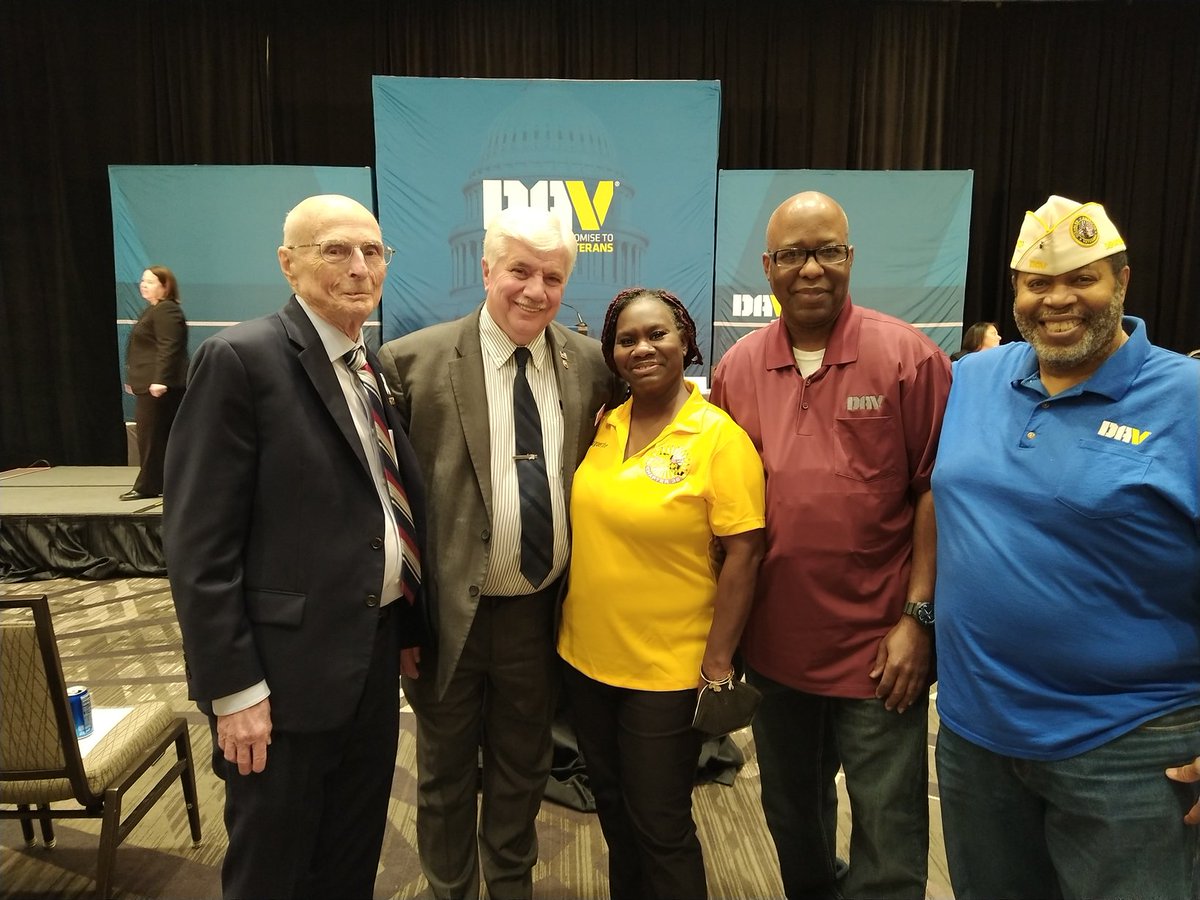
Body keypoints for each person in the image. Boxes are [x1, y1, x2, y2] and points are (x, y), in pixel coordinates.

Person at [931, 194, 1200, 899]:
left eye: (1083, 278)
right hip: (975, 736)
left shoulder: (1189, 399)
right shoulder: (971, 379)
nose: (1059, 299)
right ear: (1016, 291)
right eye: (1038, 281)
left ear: (1123, 282)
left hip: (1134, 749)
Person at [162, 194, 427, 898]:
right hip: (277, 680)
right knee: (272, 869)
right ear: (289, 263)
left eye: (373, 252)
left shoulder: (368, 366)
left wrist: (403, 624)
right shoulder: (240, 360)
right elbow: (198, 546)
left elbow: (377, 511)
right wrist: (234, 690)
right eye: (335, 250)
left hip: (368, 661)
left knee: (348, 858)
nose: (359, 267)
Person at [710, 191, 951, 900]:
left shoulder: (910, 357)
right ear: (768, 266)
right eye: (792, 254)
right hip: (776, 647)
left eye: (827, 251)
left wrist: (918, 619)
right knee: (791, 814)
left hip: (881, 649)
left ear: (850, 257)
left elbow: (932, 491)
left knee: (888, 822)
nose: (810, 269)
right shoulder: (738, 368)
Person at [377, 206, 619, 900]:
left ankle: (510, 886)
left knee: (523, 766)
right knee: (445, 773)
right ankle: (450, 890)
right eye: (519, 270)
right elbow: (391, 510)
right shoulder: (414, 363)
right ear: (486, 271)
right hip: (446, 617)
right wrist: (403, 621)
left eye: (552, 276)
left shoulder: (592, 368)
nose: (535, 290)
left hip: (538, 616)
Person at [557, 287, 765, 899]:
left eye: (657, 335)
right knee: (616, 816)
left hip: (669, 670)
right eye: (627, 339)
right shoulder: (604, 421)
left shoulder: (718, 438)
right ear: (611, 351)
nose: (641, 348)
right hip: (585, 661)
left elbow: (746, 554)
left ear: (686, 342)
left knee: (660, 825)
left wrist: (718, 663)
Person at [121, 265, 188, 500]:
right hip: (148, 383)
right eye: (143, 280)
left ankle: (148, 486)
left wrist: (160, 379)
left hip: (160, 387)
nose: (143, 284)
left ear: (164, 286)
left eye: (150, 281)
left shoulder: (166, 310)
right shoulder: (153, 310)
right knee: (153, 436)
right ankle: (158, 483)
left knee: (152, 437)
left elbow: (169, 346)